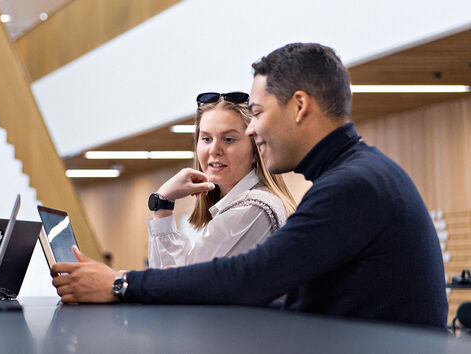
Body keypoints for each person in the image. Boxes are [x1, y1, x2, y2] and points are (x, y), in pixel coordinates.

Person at [52, 43, 448, 329]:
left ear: (299, 106)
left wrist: (121, 284)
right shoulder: (356, 175)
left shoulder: (353, 186)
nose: (253, 129)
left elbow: (250, 276)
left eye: (257, 114)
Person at [147, 92, 296, 268]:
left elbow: (175, 289)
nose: (214, 150)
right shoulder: (244, 204)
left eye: (228, 139)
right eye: (207, 139)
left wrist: (163, 203)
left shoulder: (251, 209)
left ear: (256, 150)